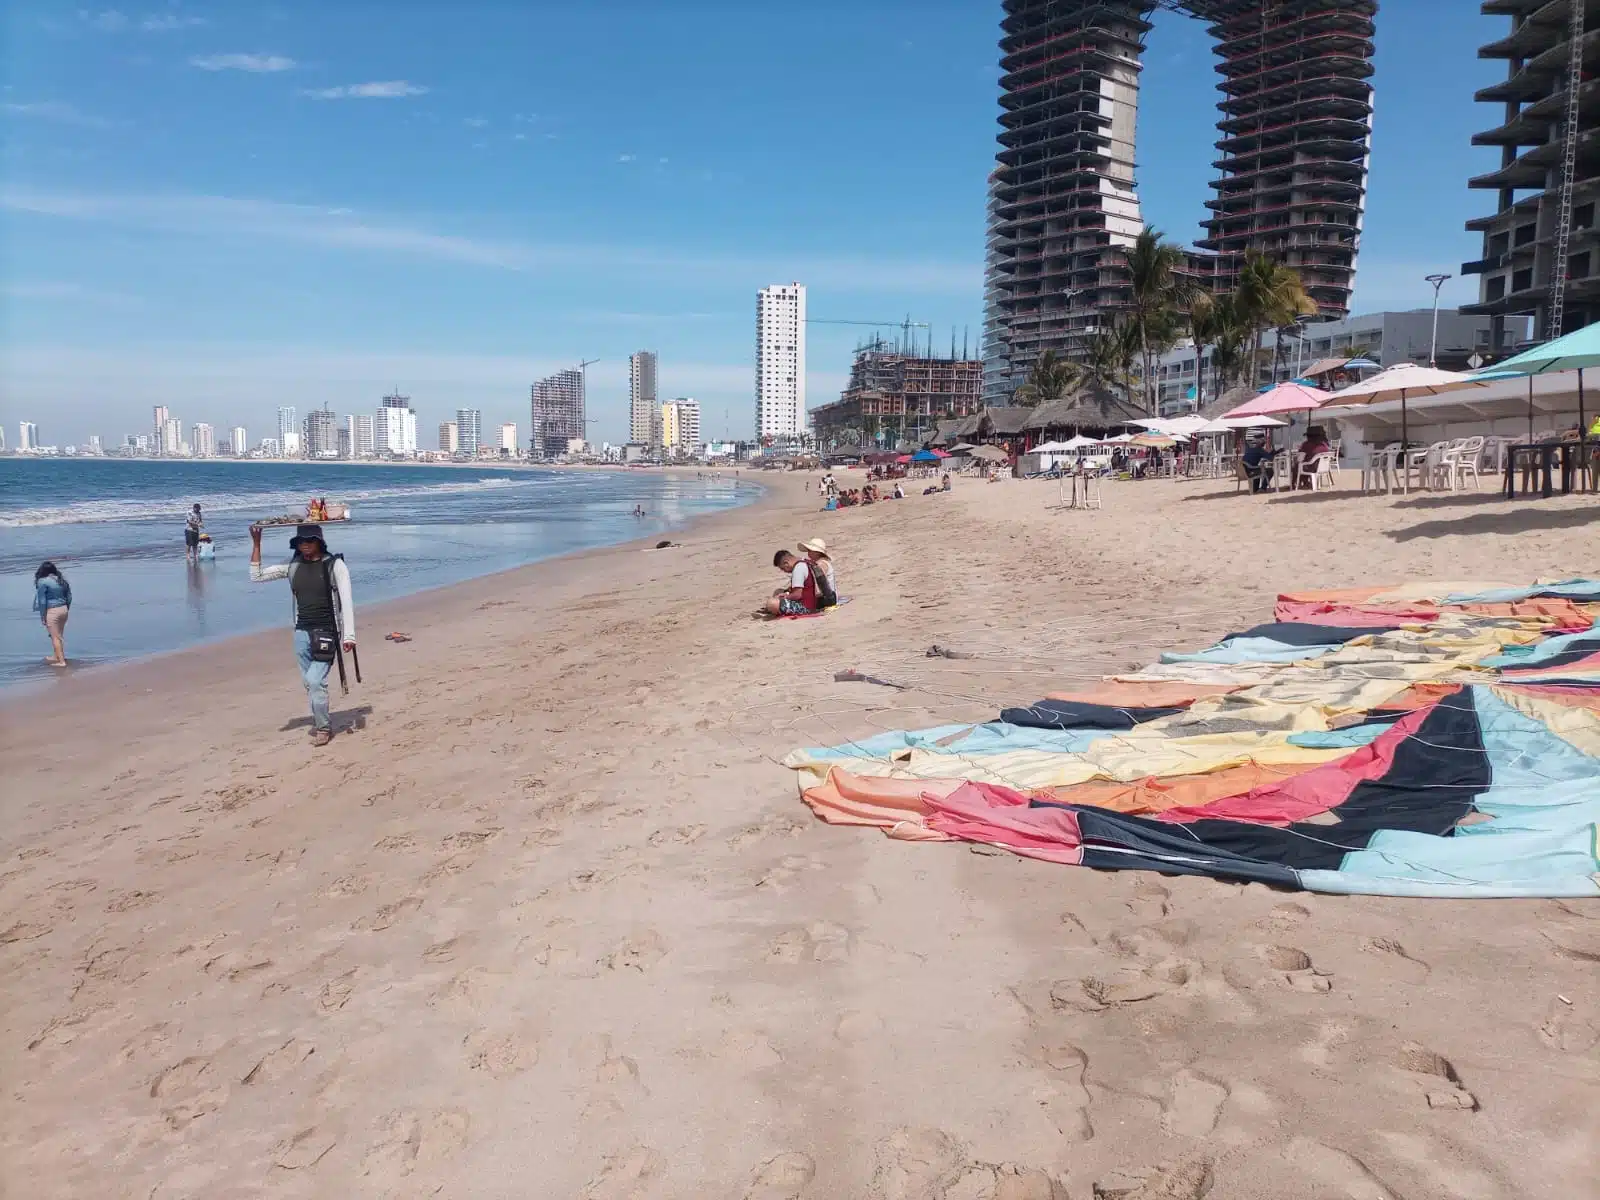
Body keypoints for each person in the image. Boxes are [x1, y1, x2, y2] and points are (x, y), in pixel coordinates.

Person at [249, 523, 356, 746]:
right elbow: (257, 576)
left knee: (314, 680)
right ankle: (321, 719)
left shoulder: (335, 565)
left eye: (310, 540)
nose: (305, 545)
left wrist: (349, 636)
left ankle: (323, 729)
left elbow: (346, 601)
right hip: (301, 633)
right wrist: (257, 544)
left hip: (327, 631)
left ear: (320, 542)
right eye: (301, 542)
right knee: (310, 684)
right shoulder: (293, 565)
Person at [33, 561, 71, 668]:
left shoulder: (42, 582)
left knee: (55, 637)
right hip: (63, 609)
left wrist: (43, 616)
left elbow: (42, 601)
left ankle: (61, 661)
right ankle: (56, 656)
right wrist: (66, 608)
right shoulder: (61, 580)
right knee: (58, 635)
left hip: (52, 610)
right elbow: (69, 597)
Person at [764, 549, 816, 616]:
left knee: (772, 603)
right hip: (814, 602)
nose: (784, 571)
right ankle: (771, 610)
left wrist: (784, 597)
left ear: (786, 563)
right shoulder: (806, 561)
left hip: (806, 608)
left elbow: (797, 595)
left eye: (783, 568)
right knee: (778, 591)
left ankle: (771, 610)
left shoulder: (798, 569)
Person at [799, 537, 837, 607]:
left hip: (826, 598)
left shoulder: (821, 564)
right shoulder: (821, 562)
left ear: (817, 552)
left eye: (810, 550)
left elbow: (820, 585)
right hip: (829, 596)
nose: (808, 552)